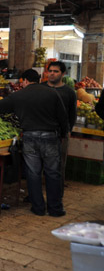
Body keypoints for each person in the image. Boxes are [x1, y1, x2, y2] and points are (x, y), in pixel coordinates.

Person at [0, 69, 68, 217]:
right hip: (51, 137)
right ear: (38, 79)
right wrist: (62, 135)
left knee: (33, 173)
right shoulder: (53, 93)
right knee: (53, 173)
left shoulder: (18, 96)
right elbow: (63, 117)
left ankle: (38, 208)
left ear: (24, 81)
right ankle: (55, 209)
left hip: (30, 137)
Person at [42, 61, 76, 189]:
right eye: (50, 71)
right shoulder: (41, 88)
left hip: (60, 133)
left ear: (63, 74)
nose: (52, 73)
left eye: (55, 71)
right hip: (42, 131)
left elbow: (72, 114)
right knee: (39, 163)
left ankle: (58, 189)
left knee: (59, 163)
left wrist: (68, 130)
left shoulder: (69, 92)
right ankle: (35, 192)